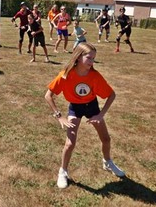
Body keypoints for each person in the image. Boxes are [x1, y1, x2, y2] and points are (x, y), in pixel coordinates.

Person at [45, 43, 125, 189]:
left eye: (93, 59)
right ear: (78, 56)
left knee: (106, 139)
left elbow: (111, 95)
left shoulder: (94, 76)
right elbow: (48, 95)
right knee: (70, 143)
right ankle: (63, 171)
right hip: (75, 108)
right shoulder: (66, 74)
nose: (91, 62)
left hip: (92, 107)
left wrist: (101, 115)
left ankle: (107, 162)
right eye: (89, 58)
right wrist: (59, 116)